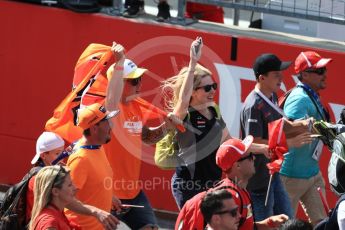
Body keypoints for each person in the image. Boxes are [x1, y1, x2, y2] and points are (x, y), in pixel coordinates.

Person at [239, 53, 314, 221]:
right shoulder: (253, 105)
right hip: (258, 181)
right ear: (261, 78)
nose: (281, 78)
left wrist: (301, 125)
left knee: (287, 220)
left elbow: (279, 124)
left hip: (273, 174)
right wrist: (289, 142)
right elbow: (254, 141)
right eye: (276, 74)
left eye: (281, 73)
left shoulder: (271, 95)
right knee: (264, 224)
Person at [64, 42, 125, 230]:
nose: (111, 126)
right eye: (107, 121)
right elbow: (65, 200)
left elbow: (91, 186)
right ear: (95, 128)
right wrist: (96, 212)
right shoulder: (81, 159)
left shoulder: (96, 149)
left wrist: (108, 197)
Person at [175, 136, 289, 230]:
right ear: (237, 165)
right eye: (249, 156)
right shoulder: (230, 198)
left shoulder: (239, 191)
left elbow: (244, 227)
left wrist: (269, 223)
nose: (254, 158)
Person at [280, 51, 332, 225]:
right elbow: (288, 130)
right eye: (319, 70)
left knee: (323, 224)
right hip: (291, 177)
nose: (325, 74)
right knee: (283, 226)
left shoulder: (310, 95)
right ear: (304, 75)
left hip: (311, 174)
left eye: (324, 69)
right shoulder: (299, 98)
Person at [26, 132, 118, 229]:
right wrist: (95, 211)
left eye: (62, 152)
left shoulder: (54, 171)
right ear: (43, 155)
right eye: (57, 153)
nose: (61, 157)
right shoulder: (39, 179)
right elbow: (69, 202)